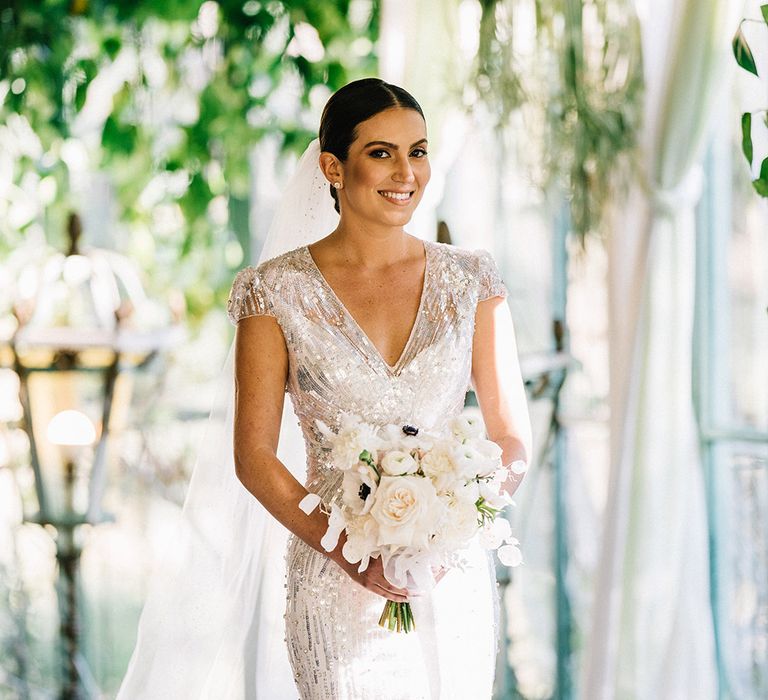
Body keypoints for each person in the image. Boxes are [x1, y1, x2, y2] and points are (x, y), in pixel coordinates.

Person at [116, 78, 531, 700]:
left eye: (417, 151)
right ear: (333, 167)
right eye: (381, 152)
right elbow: (253, 456)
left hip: (449, 580)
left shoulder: (472, 279)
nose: (405, 172)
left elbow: (509, 437)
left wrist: (454, 536)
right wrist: (346, 551)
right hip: (333, 582)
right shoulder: (273, 292)